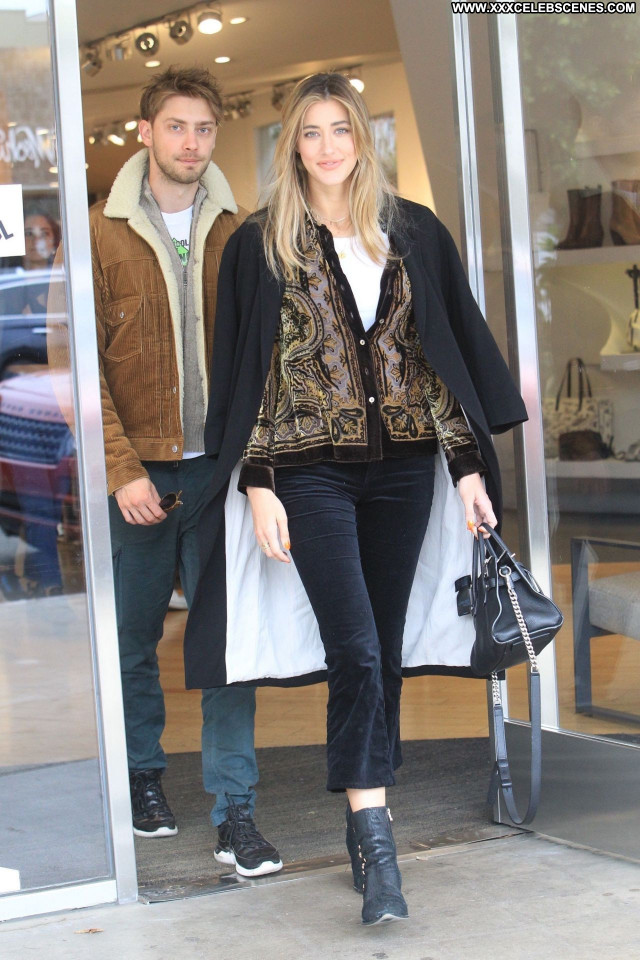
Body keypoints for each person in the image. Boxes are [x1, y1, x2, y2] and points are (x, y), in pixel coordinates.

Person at [184, 73, 527, 922]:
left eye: (341, 129)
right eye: (311, 132)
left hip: (405, 470)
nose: (328, 146)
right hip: (309, 474)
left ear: (362, 138)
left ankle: (362, 815)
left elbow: (437, 359)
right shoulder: (261, 243)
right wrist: (258, 480)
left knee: (383, 646)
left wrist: (467, 468)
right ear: (292, 147)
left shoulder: (413, 232)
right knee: (359, 649)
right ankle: (378, 847)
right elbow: (247, 373)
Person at [89, 66, 281, 876]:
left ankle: (236, 809)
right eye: (176, 126)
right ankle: (142, 774)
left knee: (227, 641)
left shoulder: (245, 232)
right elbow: (81, 367)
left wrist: (254, 468)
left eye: (204, 128)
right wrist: (121, 468)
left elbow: (268, 357)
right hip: (138, 474)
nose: (192, 143)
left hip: (219, 474)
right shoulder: (100, 234)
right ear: (145, 133)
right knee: (133, 639)